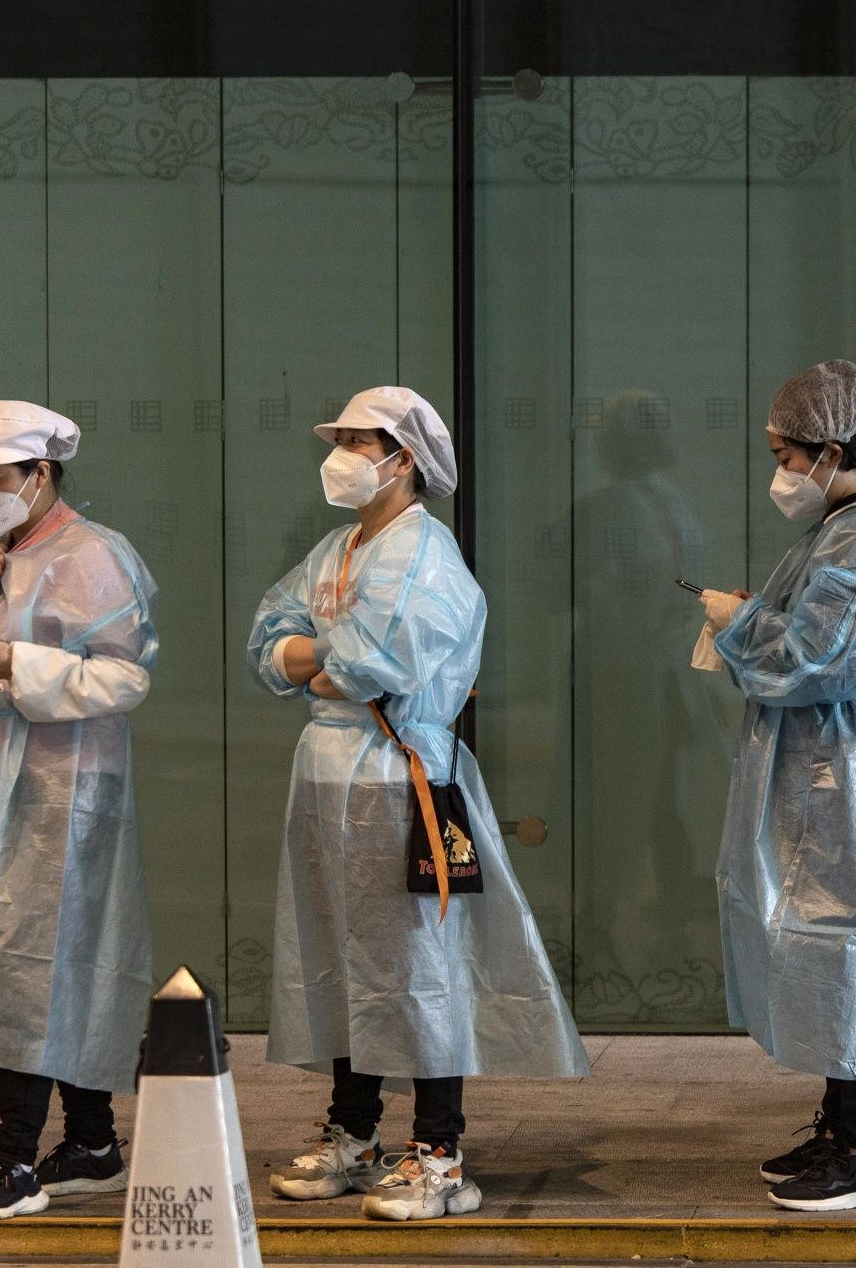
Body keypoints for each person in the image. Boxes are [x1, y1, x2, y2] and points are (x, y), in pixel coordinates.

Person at [248, 386, 588, 1222]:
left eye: (358, 442)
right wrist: (318, 662)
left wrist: (316, 662)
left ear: (403, 459)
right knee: (343, 954)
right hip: (328, 777)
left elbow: (374, 665)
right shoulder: (335, 549)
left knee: (420, 960)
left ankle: (439, 1149)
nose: (340, 456)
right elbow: (266, 643)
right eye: (339, 440)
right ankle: (355, 1130)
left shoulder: (426, 554)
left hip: (401, 778)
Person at [0, 401, 159, 1221]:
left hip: (68, 783)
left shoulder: (93, 555)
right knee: (30, 961)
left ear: (40, 473)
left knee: (38, 963)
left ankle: (14, 1157)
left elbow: (126, 676)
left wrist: (21, 666)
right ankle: (91, 1142)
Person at [699, 359, 856, 1212]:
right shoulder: (840, 532)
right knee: (828, 945)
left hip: (847, 771)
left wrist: (743, 623)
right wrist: (758, 620)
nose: (782, 473)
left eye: (786, 456)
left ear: (830, 450)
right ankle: (840, 1125)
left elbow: (820, 658)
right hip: (822, 767)